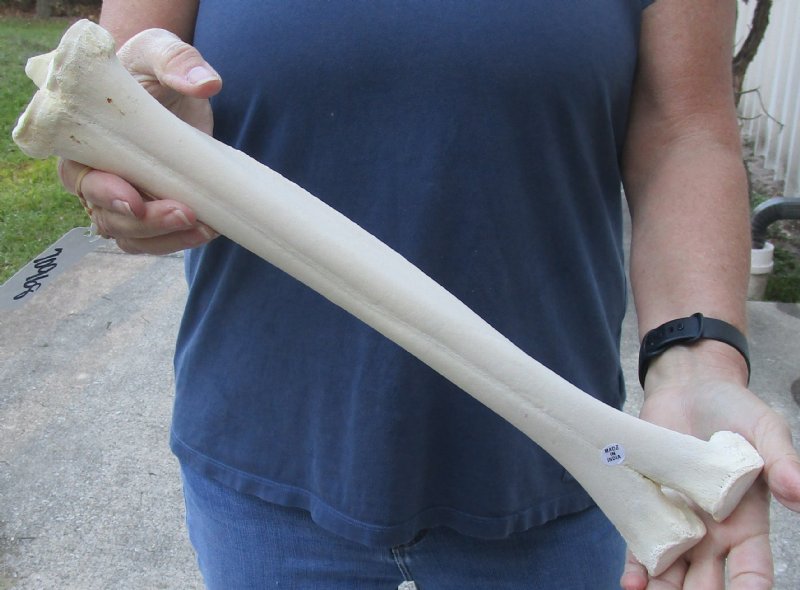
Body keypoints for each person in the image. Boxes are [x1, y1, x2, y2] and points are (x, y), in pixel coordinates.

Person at [59, 1, 800, 588]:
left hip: (557, 475)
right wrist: (128, 151)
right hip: (264, 452)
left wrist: (696, 359)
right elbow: (113, 93)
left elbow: (684, 133)